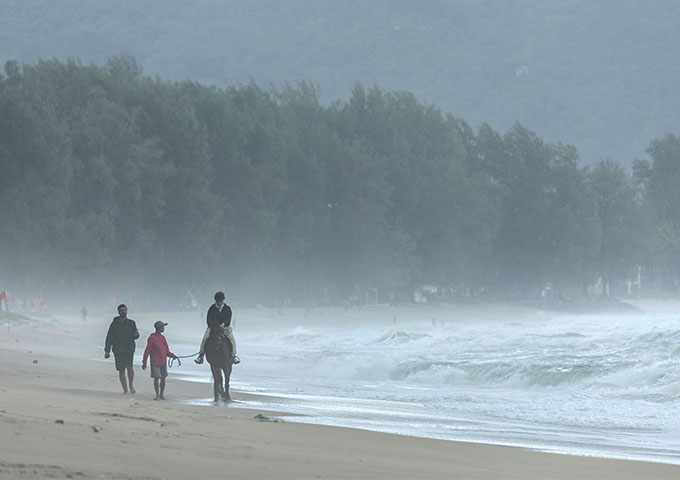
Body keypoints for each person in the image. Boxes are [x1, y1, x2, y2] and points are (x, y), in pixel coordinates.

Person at [195, 291, 239, 365]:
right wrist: (213, 325)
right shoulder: (212, 308)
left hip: (224, 328)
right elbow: (208, 319)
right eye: (217, 301)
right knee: (205, 338)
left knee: (232, 339)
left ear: (223, 300)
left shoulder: (227, 308)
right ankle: (201, 355)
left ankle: (233, 356)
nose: (219, 303)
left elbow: (228, 319)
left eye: (220, 301)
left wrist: (224, 324)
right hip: (213, 328)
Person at [104, 304, 140, 394]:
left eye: (125, 310)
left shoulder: (132, 323)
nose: (123, 312)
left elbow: (135, 335)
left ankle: (131, 385)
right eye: (121, 310)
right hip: (118, 349)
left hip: (129, 348)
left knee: (130, 367)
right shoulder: (114, 324)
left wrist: (137, 335)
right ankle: (125, 390)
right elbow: (109, 337)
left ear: (127, 311)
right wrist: (107, 351)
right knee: (121, 370)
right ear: (118, 312)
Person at [142, 321, 178, 400]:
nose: (164, 328)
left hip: (163, 361)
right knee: (156, 378)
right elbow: (147, 350)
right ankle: (157, 395)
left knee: (163, 378)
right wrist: (144, 362)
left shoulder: (163, 338)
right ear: (159, 328)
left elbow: (166, 350)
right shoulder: (152, 338)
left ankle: (161, 394)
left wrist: (172, 355)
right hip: (155, 362)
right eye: (162, 327)